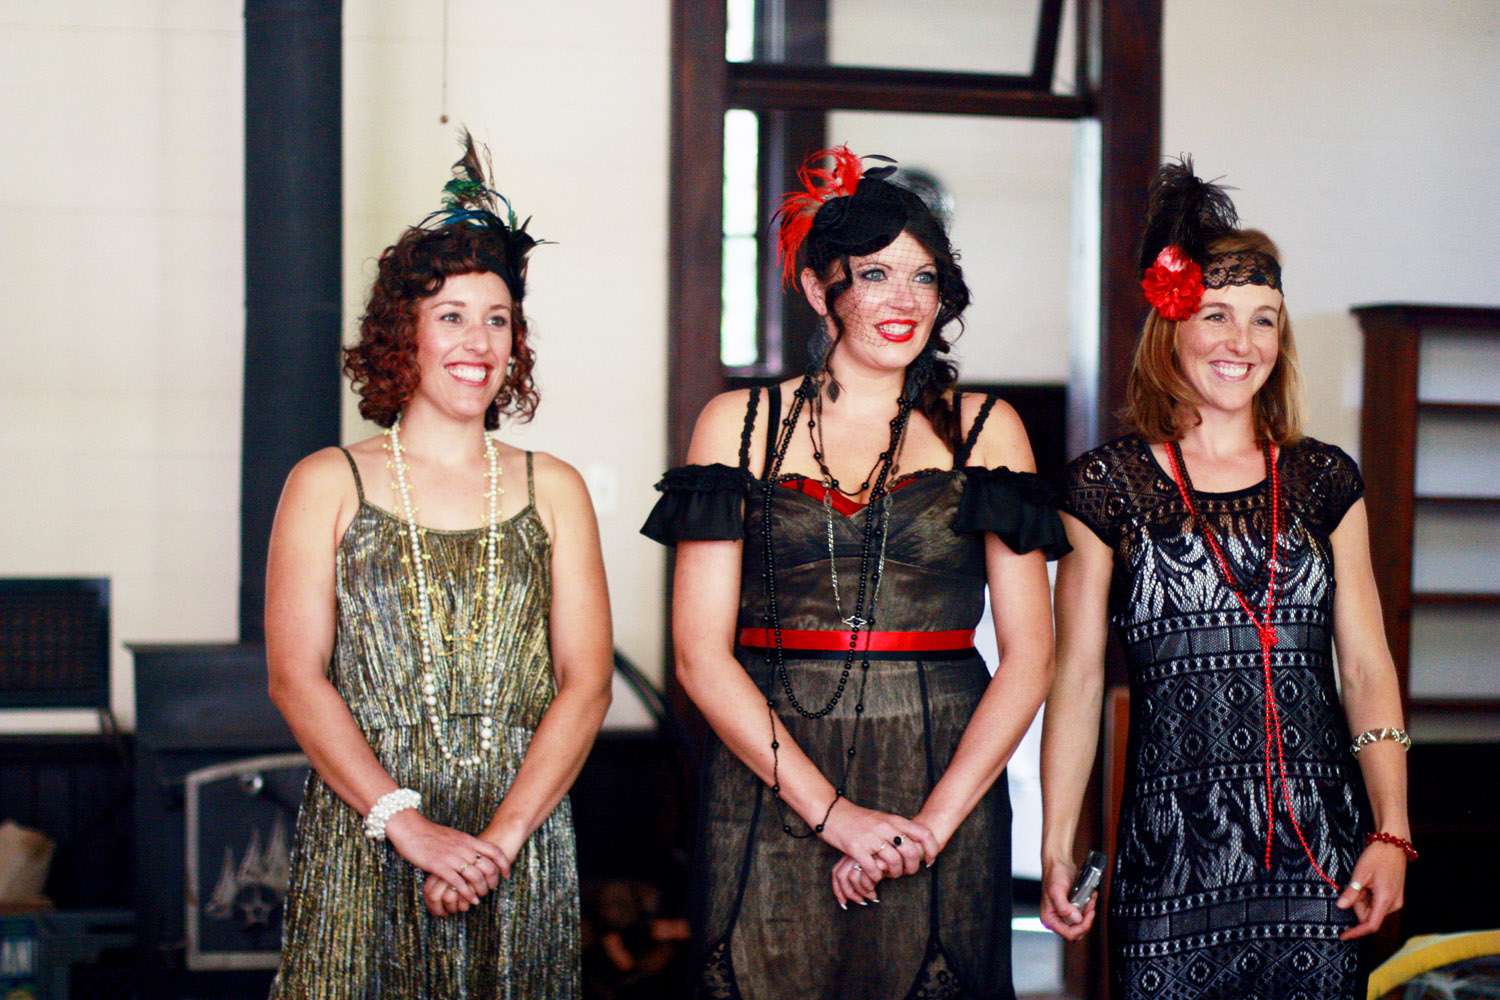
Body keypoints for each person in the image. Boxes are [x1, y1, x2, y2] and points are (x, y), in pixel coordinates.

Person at [642, 146, 1070, 999]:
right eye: (875, 274)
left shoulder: (988, 427)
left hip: (940, 773)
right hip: (772, 769)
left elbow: (1031, 656)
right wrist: (834, 816)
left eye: (923, 276)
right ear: (818, 288)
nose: (903, 299)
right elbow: (698, 655)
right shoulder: (737, 423)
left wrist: (930, 827)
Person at [1039, 159, 1413, 999]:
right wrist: (1058, 843)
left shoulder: (1325, 479)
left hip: (1320, 852)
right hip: (1169, 856)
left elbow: (1365, 667)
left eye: (1264, 321)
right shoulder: (1105, 486)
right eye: (1217, 315)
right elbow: (1077, 679)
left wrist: (1391, 830)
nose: (1242, 344)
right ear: (1171, 328)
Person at [266, 132, 612, 997]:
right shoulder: (325, 482)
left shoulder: (555, 487)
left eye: (497, 319)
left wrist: (497, 844)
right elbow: (295, 678)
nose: (478, 340)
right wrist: (410, 828)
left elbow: (588, 684)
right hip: (369, 832)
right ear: (404, 334)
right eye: (452, 315)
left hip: (521, 840)